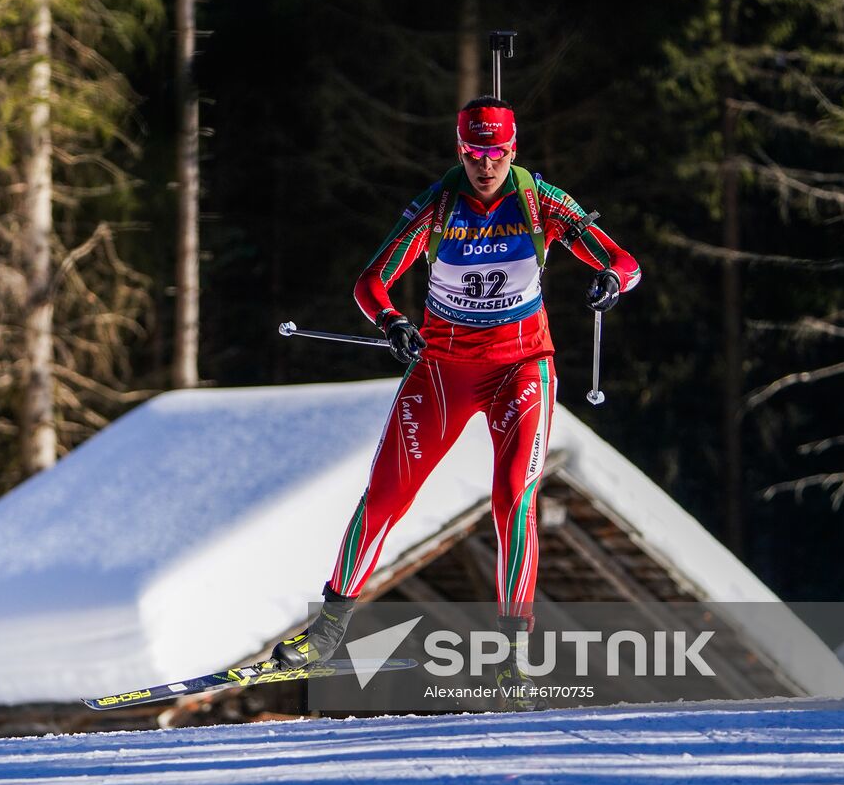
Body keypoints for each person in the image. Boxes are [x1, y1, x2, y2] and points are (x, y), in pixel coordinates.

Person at [266, 95, 641, 700]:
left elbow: (622, 260)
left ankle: (513, 658)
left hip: (521, 367)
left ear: (512, 149)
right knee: (386, 494)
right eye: (473, 152)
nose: (484, 164)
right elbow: (370, 282)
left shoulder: (539, 199)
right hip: (443, 368)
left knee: (514, 498)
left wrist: (610, 281)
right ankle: (328, 631)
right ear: (459, 150)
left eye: (494, 152)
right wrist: (392, 324)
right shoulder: (438, 204)